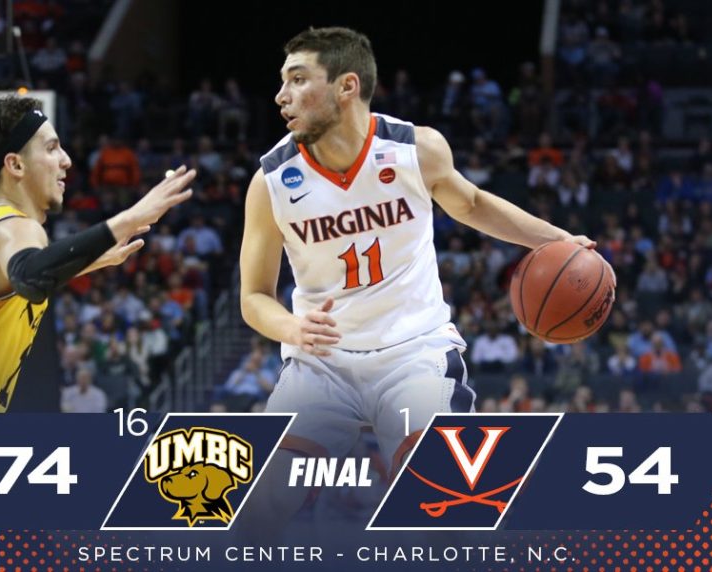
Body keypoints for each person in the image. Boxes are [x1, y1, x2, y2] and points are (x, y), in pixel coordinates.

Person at [238, 27, 592, 538]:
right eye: (281, 82)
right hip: (322, 365)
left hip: (412, 353)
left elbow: (471, 204)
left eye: (297, 80)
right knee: (258, 510)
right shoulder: (271, 181)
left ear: (347, 86)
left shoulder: (414, 148)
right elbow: (253, 297)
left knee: (448, 500)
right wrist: (291, 328)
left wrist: (559, 240)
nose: (281, 96)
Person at [0, 95, 195, 512]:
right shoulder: (14, 227)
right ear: (14, 165)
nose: (66, 161)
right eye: (51, 147)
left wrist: (90, 262)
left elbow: (18, 282)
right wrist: (129, 217)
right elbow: (30, 275)